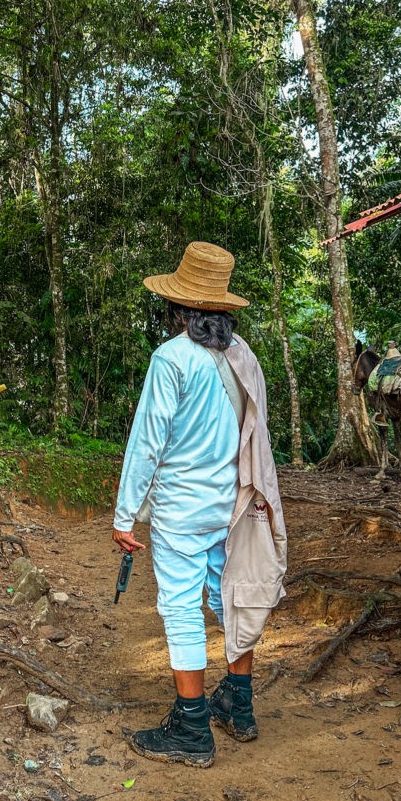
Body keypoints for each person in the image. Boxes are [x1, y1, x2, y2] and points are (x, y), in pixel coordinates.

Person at [112, 241, 286, 768]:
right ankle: (238, 704)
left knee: (182, 610)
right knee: (228, 596)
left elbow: (148, 441)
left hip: (182, 512)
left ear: (180, 307)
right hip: (233, 507)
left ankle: (190, 727)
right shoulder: (242, 356)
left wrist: (125, 515)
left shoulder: (171, 358)